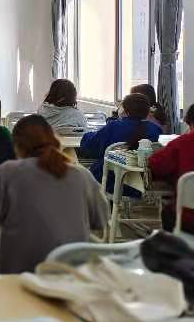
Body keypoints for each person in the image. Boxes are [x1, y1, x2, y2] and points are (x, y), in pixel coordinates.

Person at [0, 115, 108, 274]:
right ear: (54, 139)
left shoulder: (9, 172)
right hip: (71, 276)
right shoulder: (81, 175)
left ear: (18, 146)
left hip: (18, 276)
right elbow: (101, 219)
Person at [79, 93, 162, 191]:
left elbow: (90, 146)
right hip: (142, 184)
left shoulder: (114, 126)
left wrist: (87, 135)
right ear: (148, 111)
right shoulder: (155, 129)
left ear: (125, 110)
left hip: (112, 181)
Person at [149, 104, 194, 232]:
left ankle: (179, 249)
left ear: (190, 123)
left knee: (168, 212)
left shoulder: (182, 143)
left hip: (188, 218)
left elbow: (157, 165)